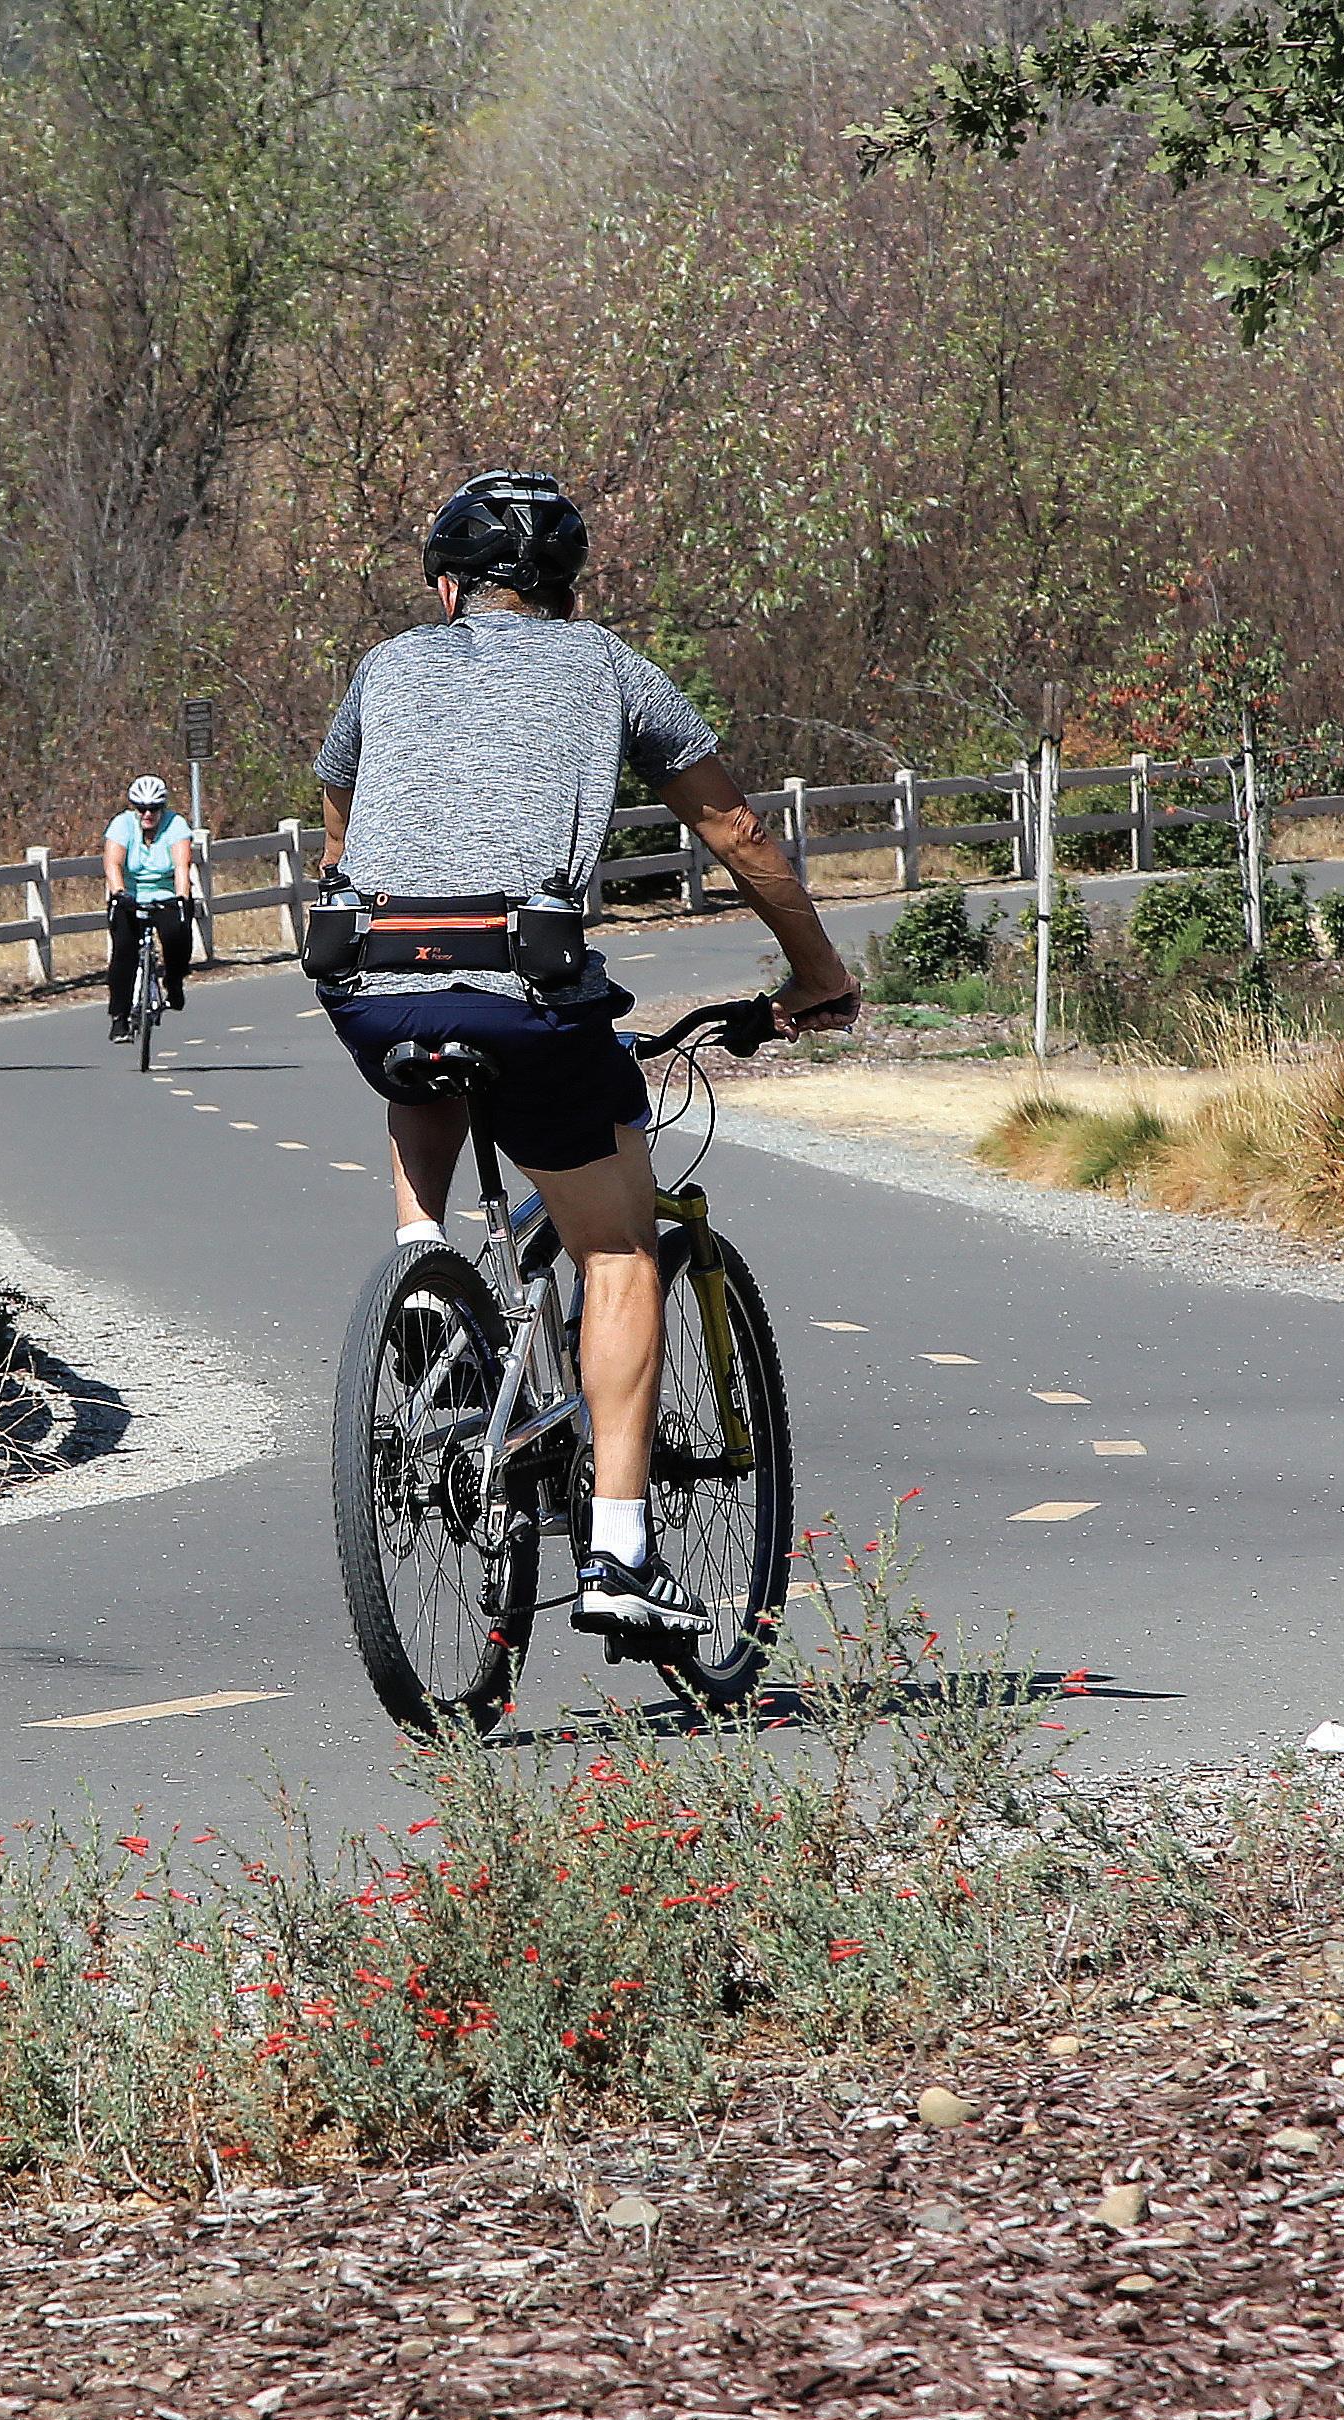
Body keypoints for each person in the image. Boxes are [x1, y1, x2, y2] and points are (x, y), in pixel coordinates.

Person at [315, 469, 861, 1649]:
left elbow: (339, 826)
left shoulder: (385, 667)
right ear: (566, 589)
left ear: (446, 587)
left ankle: (424, 1270)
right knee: (615, 1248)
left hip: (363, 982)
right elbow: (734, 830)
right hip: (527, 989)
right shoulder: (606, 665)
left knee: (424, 1028)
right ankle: (619, 1552)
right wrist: (815, 976)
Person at [103, 773, 198, 1042]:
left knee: (177, 934)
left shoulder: (175, 825)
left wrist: (181, 898)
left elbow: (181, 866)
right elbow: (112, 864)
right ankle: (119, 1017)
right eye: (141, 808)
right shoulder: (122, 825)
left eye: (153, 809)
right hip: (129, 895)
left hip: (165, 894)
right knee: (123, 952)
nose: (147, 814)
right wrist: (119, 892)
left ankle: (174, 981)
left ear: (162, 808)